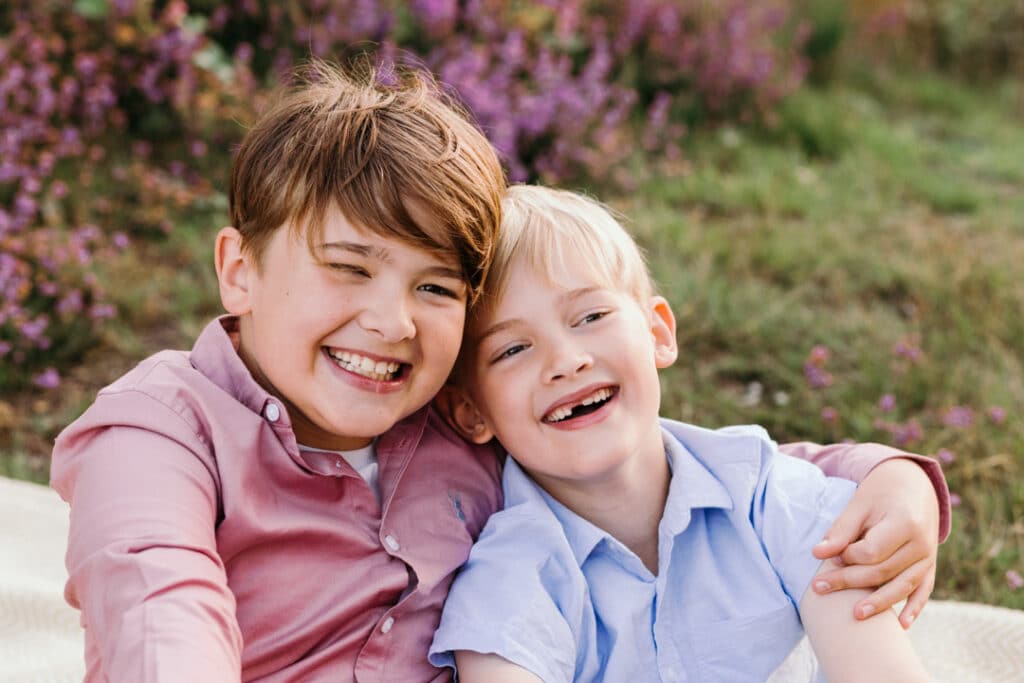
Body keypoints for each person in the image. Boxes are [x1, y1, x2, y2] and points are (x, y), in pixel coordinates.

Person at [50, 61, 947, 682]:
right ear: (239, 268)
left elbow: (705, 472)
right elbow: (156, 607)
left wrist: (893, 478)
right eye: (349, 266)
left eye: (435, 285)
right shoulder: (161, 429)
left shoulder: (450, 413)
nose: (393, 322)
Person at [429, 185, 935, 682]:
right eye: (513, 349)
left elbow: (878, 666)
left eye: (591, 316)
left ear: (657, 334)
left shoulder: (762, 491)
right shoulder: (508, 581)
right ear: (473, 412)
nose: (566, 361)